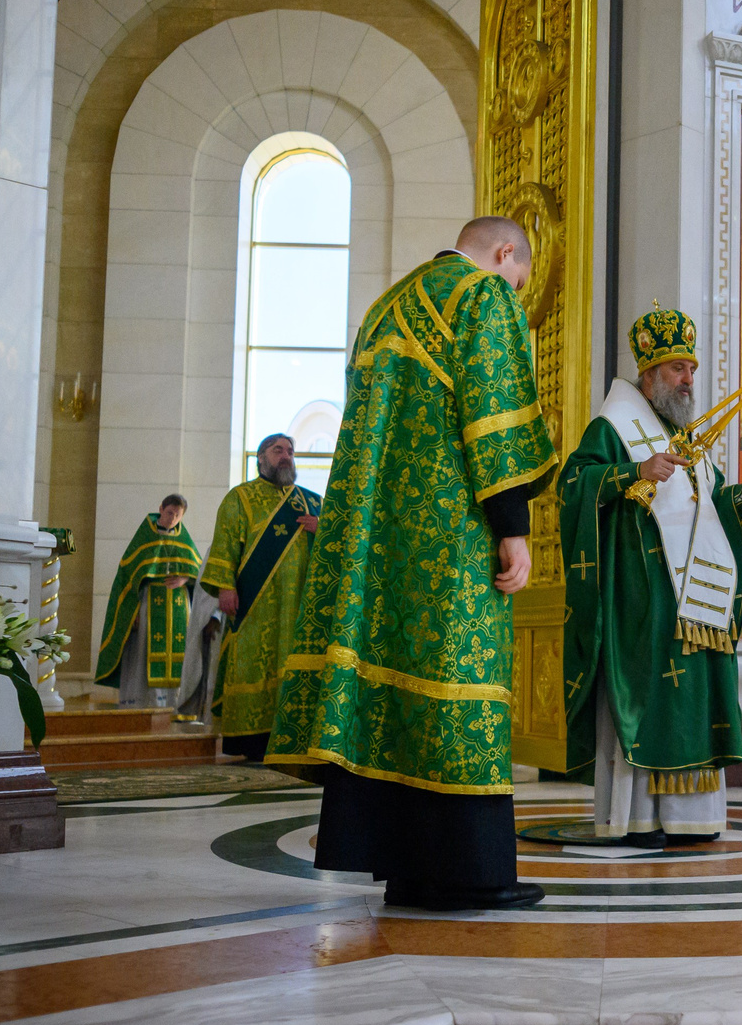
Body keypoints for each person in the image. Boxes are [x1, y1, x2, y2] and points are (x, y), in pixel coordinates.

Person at [267, 216, 557, 912]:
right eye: (519, 279)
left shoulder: (386, 306)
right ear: (505, 253)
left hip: (378, 541)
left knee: (392, 696)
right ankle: (470, 873)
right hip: (451, 532)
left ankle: (406, 869)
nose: (515, 292)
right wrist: (513, 527)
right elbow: (494, 411)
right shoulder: (480, 295)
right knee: (460, 682)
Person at [559, 306, 742, 845]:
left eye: (691, 369)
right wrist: (634, 471)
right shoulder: (614, 427)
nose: (688, 380)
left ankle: (690, 819)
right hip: (642, 598)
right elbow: (574, 485)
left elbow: (705, 509)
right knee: (647, 700)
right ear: (649, 374)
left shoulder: (686, 438)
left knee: (691, 701)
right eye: (678, 368)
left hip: (692, 601)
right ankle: (637, 818)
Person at [199, 434, 321, 759]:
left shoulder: (312, 502)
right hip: (254, 605)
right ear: (261, 457)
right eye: (278, 450)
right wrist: (225, 587)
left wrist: (322, 529)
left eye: (290, 451)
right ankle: (251, 740)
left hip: (298, 605)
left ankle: (294, 736)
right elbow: (225, 544)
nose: (286, 455)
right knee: (253, 663)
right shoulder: (240, 498)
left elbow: (339, 550)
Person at [93, 495, 201, 708]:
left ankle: (174, 702)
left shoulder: (184, 538)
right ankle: (145, 701)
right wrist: (131, 612)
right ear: (161, 509)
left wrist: (185, 578)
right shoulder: (145, 535)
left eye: (177, 515)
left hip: (178, 606)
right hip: (149, 604)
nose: (172, 519)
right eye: (169, 513)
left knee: (180, 652)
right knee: (143, 652)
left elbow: (198, 570)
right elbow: (128, 577)